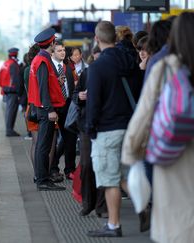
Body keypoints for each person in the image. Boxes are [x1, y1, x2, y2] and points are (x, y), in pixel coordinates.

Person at [122, 12, 194, 243]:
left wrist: (131, 154)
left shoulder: (164, 68)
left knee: (178, 220)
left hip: (173, 155)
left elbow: (144, 114)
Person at [85, 21, 142, 237]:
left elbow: (93, 102)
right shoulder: (130, 61)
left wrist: (90, 128)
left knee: (110, 180)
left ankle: (114, 224)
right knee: (125, 176)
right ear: (116, 39)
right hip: (129, 127)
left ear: (97, 39)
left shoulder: (98, 66)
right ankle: (147, 207)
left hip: (107, 129)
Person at [28, 27, 66, 191]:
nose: (55, 43)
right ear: (51, 43)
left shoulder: (40, 59)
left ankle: (43, 178)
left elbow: (45, 85)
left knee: (42, 145)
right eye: (54, 41)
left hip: (42, 108)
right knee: (43, 146)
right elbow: (43, 88)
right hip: (45, 110)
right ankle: (42, 180)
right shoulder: (43, 61)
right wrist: (50, 109)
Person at [72, 45, 107, 218]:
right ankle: (88, 202)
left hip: (105, 124)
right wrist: (79, 97)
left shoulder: (111, 72)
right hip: (86, 124)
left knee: (102, 166)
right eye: (98, 57)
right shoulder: (88, 73)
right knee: (86, 165)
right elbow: (75, 94)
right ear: (93, 56)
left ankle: (102, 206)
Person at [48, 41, 77, 182]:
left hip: (67, 105)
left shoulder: (67, 68)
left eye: (63, 50)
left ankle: (70, 169)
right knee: (52, 141)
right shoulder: (48, 68)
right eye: (59, 50)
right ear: (52, 53)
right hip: (54, 108)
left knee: (70, 138)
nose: (62, 52)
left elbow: (71, 88)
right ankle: (53, 169)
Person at [24, 44, 41, 164]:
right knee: (46, 144)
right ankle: (43, 175)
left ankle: (37, 174)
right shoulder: (39, 68)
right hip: (39, 108)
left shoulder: (26, 70)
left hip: (30, 108)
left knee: (35, 143)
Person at [0, 47, 21, 136]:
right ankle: (9, 130)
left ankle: (9, 129)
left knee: (9, 110)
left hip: (6, 89)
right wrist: (19, 92)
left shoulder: (6, 63)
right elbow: (16, 79)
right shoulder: (13, 65)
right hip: (12, 91)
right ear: (16, 54)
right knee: (11, 111)